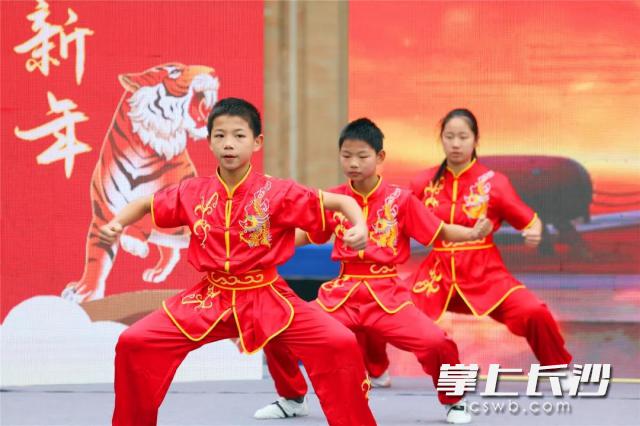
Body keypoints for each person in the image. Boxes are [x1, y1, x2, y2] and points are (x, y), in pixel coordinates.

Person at [105, 98, 378, 426]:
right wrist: (117, 224)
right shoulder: (192, 191)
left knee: (339, 342)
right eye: (220, 136)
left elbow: (342, 202)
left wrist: (360, 226)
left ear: (256, 142)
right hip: (209, 296)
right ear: (209, 142)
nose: (229, 144)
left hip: (267, 294)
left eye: (238, 136)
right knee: (135, 342)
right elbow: (144, 205)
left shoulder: (278, 193)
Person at [254, 118, 493, 424]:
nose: (353, 163)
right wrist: (265, 241)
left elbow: (440, 230)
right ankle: (292, 398)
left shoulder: (400, 200)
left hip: (387, 295)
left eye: (362, 156)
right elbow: (304, 235)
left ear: (380, 157)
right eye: (346, 156)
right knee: (277, 333)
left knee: (437, 343)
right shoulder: (335, 198)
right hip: (341, 293)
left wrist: (473, 233)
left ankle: (455, 401)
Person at [360, 108, 572, 388]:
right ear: (442, 140)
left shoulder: (494, 183)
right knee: (375, 313)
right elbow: (398, 219)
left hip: (485, 274)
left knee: (535, 312)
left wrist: (534, 234)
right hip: (435, 278)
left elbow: (529, 221)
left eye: (463, 137)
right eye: (449, 137)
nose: (456, 144)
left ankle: (557, 368)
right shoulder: (423, 182)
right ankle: (376, 370)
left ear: (475, 140)